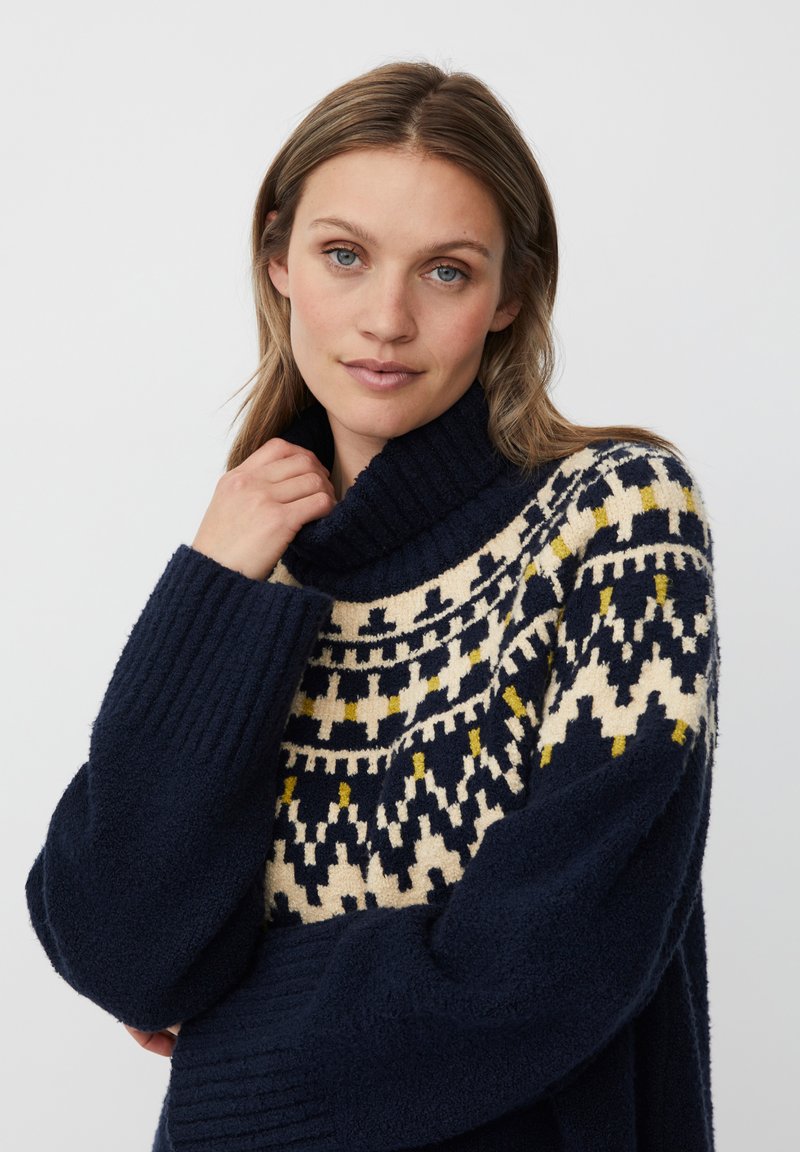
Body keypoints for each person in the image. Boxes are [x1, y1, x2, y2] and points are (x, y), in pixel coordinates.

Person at [24, 59, 721, 1152]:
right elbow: (122, 952)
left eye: (445, 270)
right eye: (343, 256)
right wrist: (209, 589)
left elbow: (552, 959)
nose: (387, 318)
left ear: (508, 296)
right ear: (278, 261)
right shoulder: (255, 579)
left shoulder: (616, 514)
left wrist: (227, 1040)